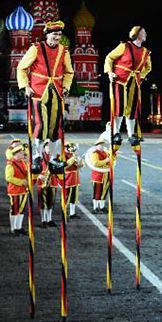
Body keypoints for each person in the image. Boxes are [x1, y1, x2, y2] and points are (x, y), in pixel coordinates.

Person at [16, 20, 74, 171]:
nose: (57, 37)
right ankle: (37, 157)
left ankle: (54, 159)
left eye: (59, 35)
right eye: (55, 34)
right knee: (41, 126)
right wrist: (25, 86)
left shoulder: (64, 50)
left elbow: (69, 72)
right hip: (38, 92)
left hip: (57, 92)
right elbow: (21, 68)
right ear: (47, 35)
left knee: (55, 128)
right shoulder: (36, 48)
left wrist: (66, 87)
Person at [102, 26, 152, 146]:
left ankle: (131, 135)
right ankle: (115, 133)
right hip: (120, 79)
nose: (145, 35)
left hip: (134, 82)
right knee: (119, 106)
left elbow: (148, 67)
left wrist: (141, 76)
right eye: (143, 33)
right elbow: (109, 57)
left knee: (132, 107)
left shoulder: (145, 52)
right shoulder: (124, 46)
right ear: (137, 34)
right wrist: (110, 72)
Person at [5, 143, 29, 235]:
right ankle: (13, 228)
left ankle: (18, 227)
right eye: (21, 153)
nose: (23, 155)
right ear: (16, 154)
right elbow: (9, 178)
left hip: (23, 189)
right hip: (15, 190)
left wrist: (28, 163)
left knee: (21, 209)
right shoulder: (10, 164)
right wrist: (21, 182)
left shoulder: (23, 162)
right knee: (14, 209)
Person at [87, 138, 112, 213]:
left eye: (102, 145)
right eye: (100, 145)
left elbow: (111, 160)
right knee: (97, 192)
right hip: (98, 176)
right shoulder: (94, 153)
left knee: (104, 191)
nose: (102, 146)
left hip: (106, 175)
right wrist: (106, 161)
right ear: (96, 146)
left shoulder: (106, 153)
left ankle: (102, 206)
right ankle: (95, 207)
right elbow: (95, 163)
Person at [62, 142, 81, 219]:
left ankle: (72, 213)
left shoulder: (73, 155)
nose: (70, 149)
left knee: (74, 197)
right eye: (69, 147)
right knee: (66, 196)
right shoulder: (63, 155)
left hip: (75, 178)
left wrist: (79, 161)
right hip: (68, 178)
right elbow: (65, 165)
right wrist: (73, 158)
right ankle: (64, 212)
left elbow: (80, 165)